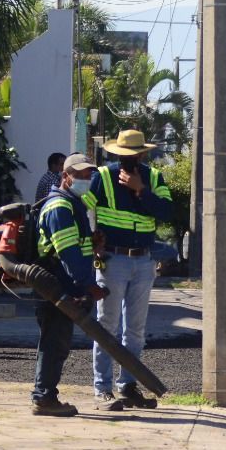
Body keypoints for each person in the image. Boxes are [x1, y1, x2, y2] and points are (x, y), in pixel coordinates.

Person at [81, 130, 172, 411]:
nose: (128, 159)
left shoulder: (153, 177)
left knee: (135, 330)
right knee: (107, 325)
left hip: (144, 262)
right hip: (113, 260)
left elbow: (167, 212)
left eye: (133, 155)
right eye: (123, 155)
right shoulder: (103, 176)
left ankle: (127, 386)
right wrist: (90, 240)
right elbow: (82, 210)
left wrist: (140, 189)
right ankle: (102, 389)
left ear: (142, 154)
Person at [30, 153, 107, 417]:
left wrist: (92, 244)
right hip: (54, 286)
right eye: (80, 176)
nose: (86, 180)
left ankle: (45, 396)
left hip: (60, 286)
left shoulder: (72, 204)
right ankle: (44, 398)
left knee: (56, 342)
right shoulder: (60, 207)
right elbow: (68, 253)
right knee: (54, 343)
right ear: (65, 176)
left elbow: (76, 246)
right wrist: (88, 285)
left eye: (88, 176)